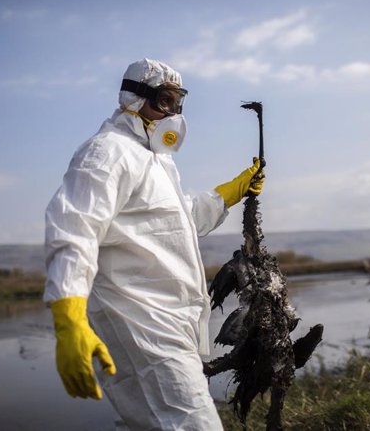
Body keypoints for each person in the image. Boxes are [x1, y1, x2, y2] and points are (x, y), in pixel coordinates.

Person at [43, 58, 264, 430]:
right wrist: (69, 318)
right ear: (133, 98)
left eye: (178, 102)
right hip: (139, 322)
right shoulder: (107, 153)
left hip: (170, 322)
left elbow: (175, 224)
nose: (172, 113)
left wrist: (229, 193)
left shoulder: (156, 160)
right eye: (163, 100)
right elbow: (74, 231)